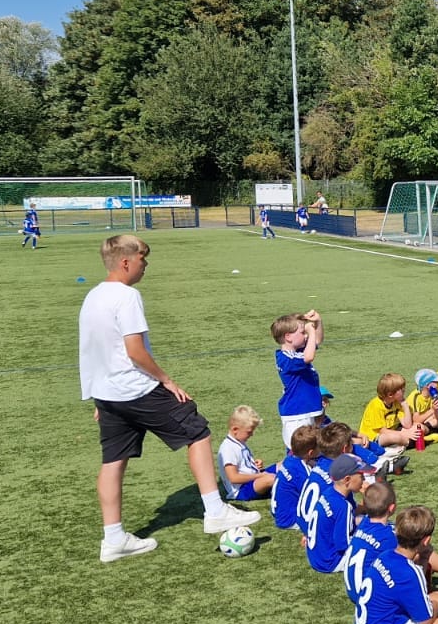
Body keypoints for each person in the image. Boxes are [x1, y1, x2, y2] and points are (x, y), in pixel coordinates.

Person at [78, 234, 257, 563]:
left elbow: (92, 350)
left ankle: (113, 539)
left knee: (113, 462)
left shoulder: (92, 296)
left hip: (109, 395)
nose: (146, 264)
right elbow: (134, 351)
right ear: (126, 262)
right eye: (143, 258)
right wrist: (167, 380)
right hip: (135, 388)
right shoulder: (127, 296)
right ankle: (215, 510)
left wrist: (97, 398)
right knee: (197, 430)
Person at [347, 496, 438, 624]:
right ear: (426, 540)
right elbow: (425, 621)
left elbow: (416, 589)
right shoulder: (407, 571)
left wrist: (423, 559)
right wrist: (436, 605)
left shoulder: (385, 555)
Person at [272, 310, 325, 448]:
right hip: (296, 414)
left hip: (306, 410)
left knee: (312, 450)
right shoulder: (286, 358)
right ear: (288, 337)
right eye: (302, 333)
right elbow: (309, 357)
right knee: (298, 452)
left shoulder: (297, 352)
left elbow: (317, 341)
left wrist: (317, 323)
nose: (306, 335)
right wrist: (311, 331)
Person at [217, 405, 276, 502]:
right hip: (241, 490)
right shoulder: (228, 448)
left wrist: (255, 465)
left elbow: (243, 466)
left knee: (283, 465)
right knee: (271, 479)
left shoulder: (239, 442)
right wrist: (259, 476)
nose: (252, 434)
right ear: (235, 429)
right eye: (249, 432)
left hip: (253, 478)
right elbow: (233, 477)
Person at [273, 424, 320, 532]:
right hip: (290, 519)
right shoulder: (302, 472)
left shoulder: (288, 460)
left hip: (279, 512)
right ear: (311, 453)